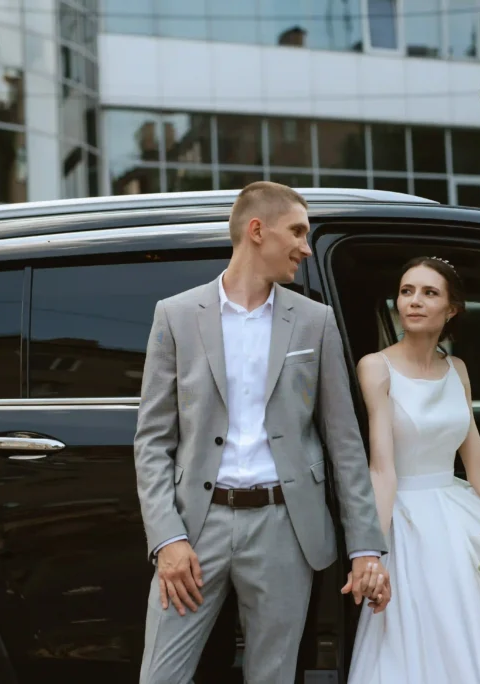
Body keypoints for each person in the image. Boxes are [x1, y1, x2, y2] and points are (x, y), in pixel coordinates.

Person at [134, 181, 391, 684]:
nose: (305, 247)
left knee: (272, 677)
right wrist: (167, 539)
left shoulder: (314, 322)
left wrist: (366, 546)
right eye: (297, 231)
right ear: (257, 230)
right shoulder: (177, 315)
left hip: (284, 527)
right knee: (161, 676)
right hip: (195, 526)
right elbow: (152, 441)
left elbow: (344, 442)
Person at [347, 256, 480, 683]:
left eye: (429, 293)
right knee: (445, 660)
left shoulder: (457, 370)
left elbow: (478, 466)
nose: (414, 301)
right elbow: (382, 469)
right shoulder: (376, 367)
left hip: (462, 519)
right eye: (407, 291)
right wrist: (372, 552)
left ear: (451, 309)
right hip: (411, 529)